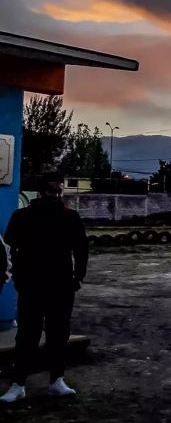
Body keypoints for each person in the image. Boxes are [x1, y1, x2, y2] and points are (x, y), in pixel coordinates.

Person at [1, 173, 88, 403]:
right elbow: (9, 247)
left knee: (58, 335)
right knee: (27, 336)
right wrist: (17, 277)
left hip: (61, 286)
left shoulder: (70, 218)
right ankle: (18, 385)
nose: (56, 196)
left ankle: (57, 381)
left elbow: (81, 249)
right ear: (41, 193)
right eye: (52, 191)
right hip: (32, 286)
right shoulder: (23, 217)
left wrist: (78, 277)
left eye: (60, 192)